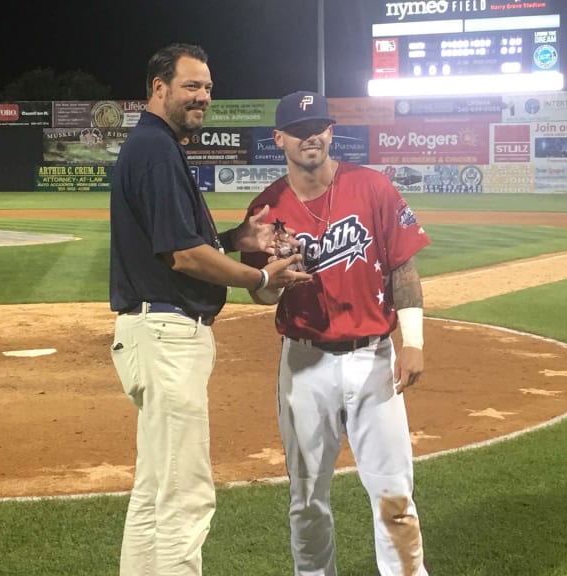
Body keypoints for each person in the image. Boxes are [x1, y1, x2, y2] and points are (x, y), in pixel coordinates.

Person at [108, 44, 310, 576]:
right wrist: (262, 276)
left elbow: (179, 243)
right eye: (192, 86)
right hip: (168, 333)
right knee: (186, 496)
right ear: (159, 87)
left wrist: (232, 237)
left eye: (208, 88)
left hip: (152, 330)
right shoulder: (155, 149)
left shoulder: (155, 146)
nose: (203, 97)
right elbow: (184, 256)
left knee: (156, 492)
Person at [242, 90, 431, 576]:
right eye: (300, 130)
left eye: (320, 127)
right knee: (306, 500)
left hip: (374, 360)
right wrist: (272, 281)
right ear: (279, 138)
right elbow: (258, 295)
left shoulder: (372, 186)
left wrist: (413, 343)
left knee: (395, 495)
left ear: (331, 132)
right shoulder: (265, 210)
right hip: (305, 364)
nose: (312, 137)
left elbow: (402, 271)